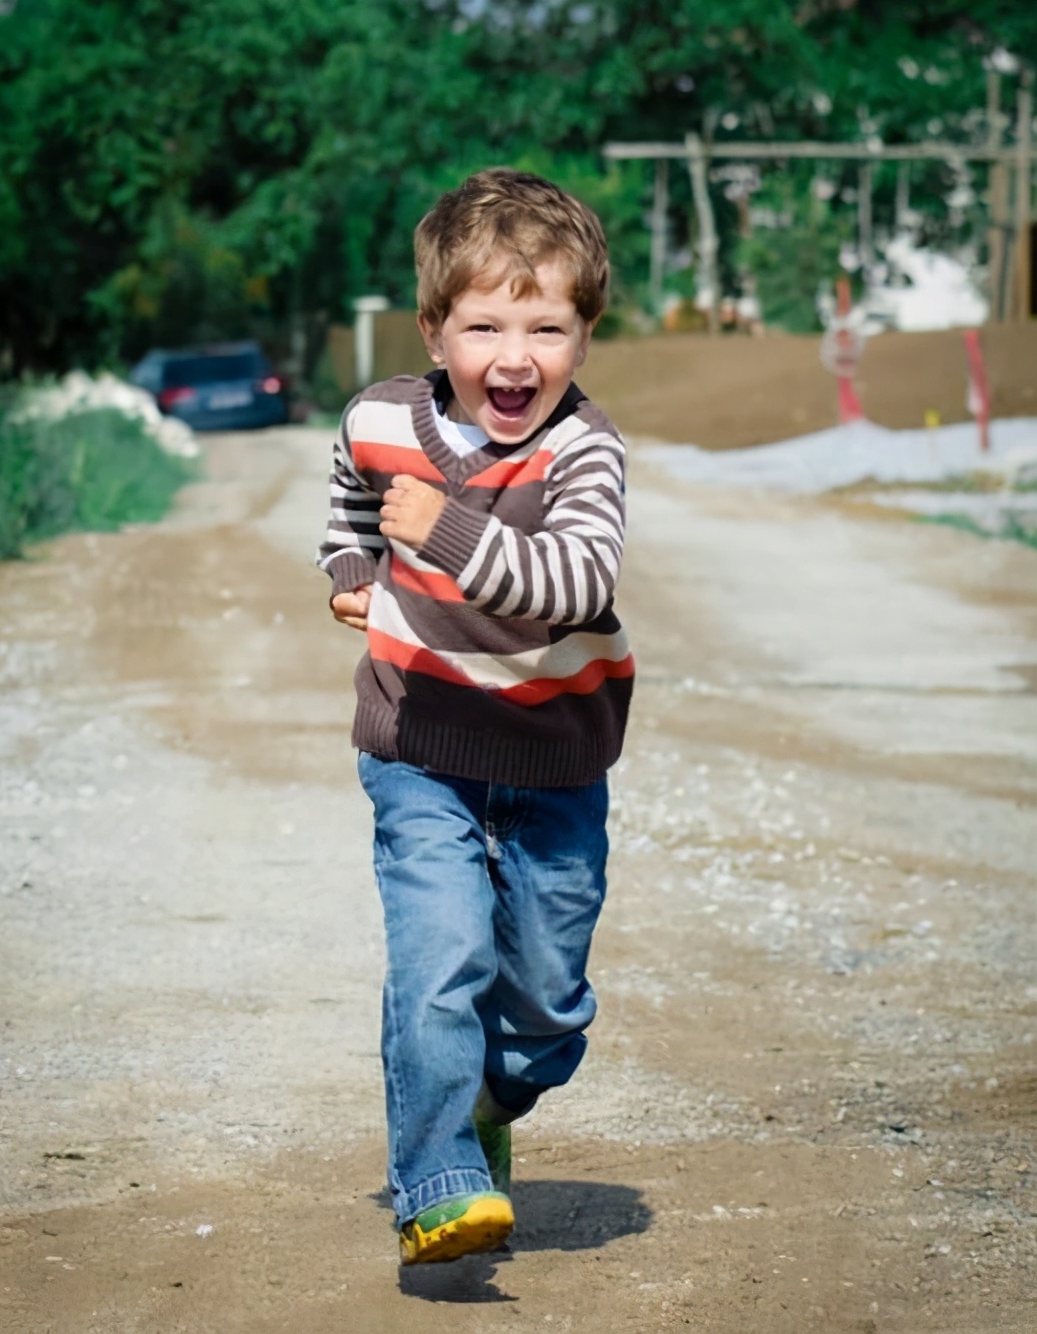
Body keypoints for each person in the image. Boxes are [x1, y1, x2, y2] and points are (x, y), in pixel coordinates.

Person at [317, 168, 634, 1266]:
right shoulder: (381, 417)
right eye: (485, 324)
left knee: (548, 1007)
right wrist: (353, 564)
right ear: (433, 330)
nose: (515, 355)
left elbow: (574, 580)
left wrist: (444, 531)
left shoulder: (583, 453)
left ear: (583, 337)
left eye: (546, 326)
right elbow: (354, 492)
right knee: (438, 954)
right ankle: (438, 1177)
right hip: (421, 746)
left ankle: (492, 1098)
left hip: (553, 758)